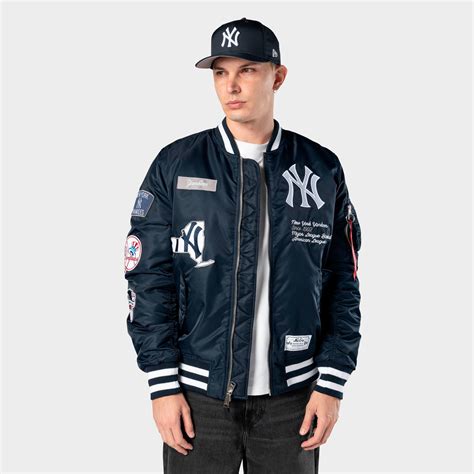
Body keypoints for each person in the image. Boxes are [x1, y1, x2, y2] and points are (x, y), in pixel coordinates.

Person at [124, 17, 362, 474]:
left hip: (294, 399)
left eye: (247, 70)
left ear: (278, 76)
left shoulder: (319, 168)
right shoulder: (177, 163)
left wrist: (331, 381)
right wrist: (162, 384)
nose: (231, 85)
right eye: (220, 72)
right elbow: (149, 278)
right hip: (197, 397)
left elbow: (342, 281)